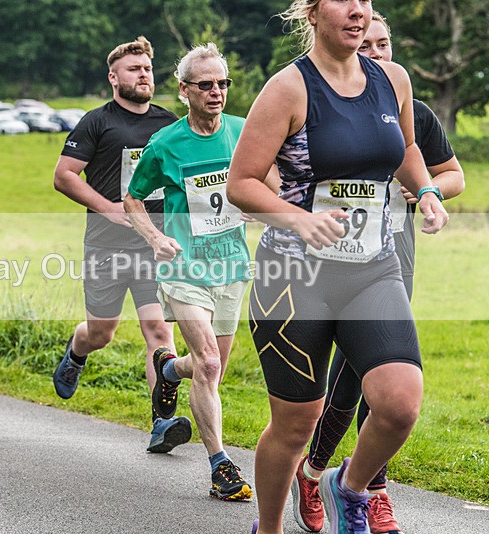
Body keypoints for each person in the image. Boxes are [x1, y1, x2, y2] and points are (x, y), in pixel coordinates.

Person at [226, 0, 449, 532]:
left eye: (365, 2)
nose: (358, 11)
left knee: (399, 403)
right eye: (344, 1)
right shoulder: (288, 89)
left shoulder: (392, 79)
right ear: (312, 12)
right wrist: (299, 220)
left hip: (373, 268)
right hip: (295, 276)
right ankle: (268, 528)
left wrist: (427, 191)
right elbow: (241, 183)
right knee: (296, 424)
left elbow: (406, 148)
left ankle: (346, 487)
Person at [290, 11, 465, 534]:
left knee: (386, 381)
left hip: (391, 259)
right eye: (366, 44)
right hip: (325, 264)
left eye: (383, 43)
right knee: (349, 381)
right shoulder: (315, 98)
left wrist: (427, 190)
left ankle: (360, 487)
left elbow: (450, 174)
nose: (376, 53)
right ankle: (325, 476)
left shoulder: (408, 107)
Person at [124, 42, 254, 500]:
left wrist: (262, 205)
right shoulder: (165, 144)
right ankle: (220, 466)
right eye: (205, 85)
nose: (216, 91)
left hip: (232, 266)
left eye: (222, 83)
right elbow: (132, 198)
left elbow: (266, 180)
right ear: (184, 90)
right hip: (184, 268)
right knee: (210, 362)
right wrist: (155, 238)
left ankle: (167, 368)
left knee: (208, 369)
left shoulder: (243, 131)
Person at [52, 36, 191, 453]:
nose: (144, 74)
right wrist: (108, 207)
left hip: (154, 246)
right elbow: (64, 175)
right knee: (102, 332)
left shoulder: (169, 123)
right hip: (106, 246)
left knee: (158, 331)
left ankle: (162, 422)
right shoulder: (97, 122)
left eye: (147, 68)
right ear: (114, 78)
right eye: (134, 69)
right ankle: (77, 352)